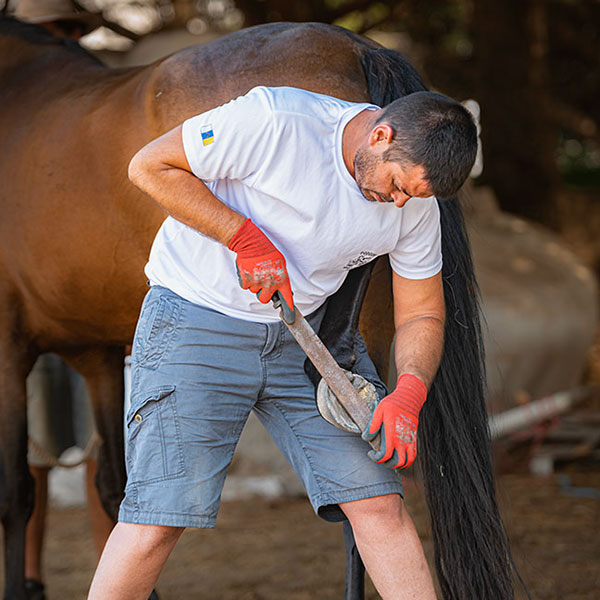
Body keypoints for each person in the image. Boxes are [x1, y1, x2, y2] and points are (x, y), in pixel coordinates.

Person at [88, 85, 477, 599]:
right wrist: (241, 236)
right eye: (398, 184)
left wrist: (409, 392)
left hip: (311, 339)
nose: (399, 202)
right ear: (380, 135)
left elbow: (423, 311)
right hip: (197, 323)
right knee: (157, 517)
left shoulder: (414, 206)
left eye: (414, 196)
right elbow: (150, 165)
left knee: (379, 502)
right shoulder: (276, 121)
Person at [15, 3, 106, 600]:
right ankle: (28, 578)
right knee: (26, 452)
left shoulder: (91, 92)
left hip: (82, 292)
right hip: (20, 301)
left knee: (105, 444)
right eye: (57, 30)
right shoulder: (12, 102)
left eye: (73, 30)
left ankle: (112, 578)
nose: (68, 41)